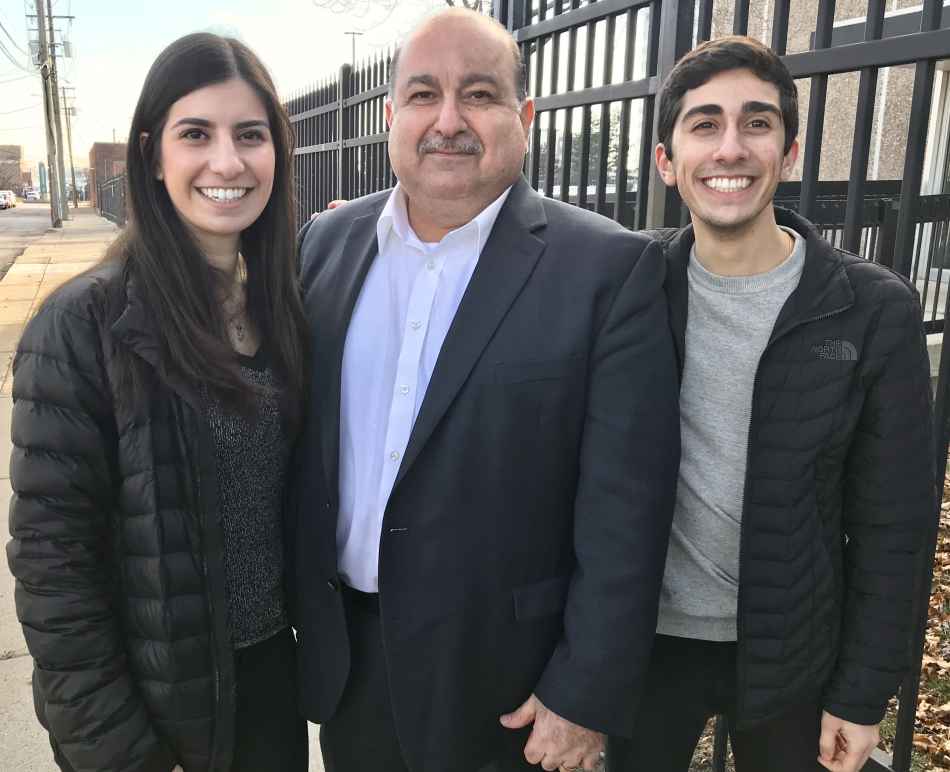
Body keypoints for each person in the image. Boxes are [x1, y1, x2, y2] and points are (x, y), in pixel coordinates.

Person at [291, 8, 680, 772]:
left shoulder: (607, 270)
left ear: (523, 118)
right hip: (350, 671)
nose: (447, 120)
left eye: (478, 94)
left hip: (510, 686)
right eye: (423, 94)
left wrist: (586, 690)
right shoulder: (325, 244)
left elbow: (628, 509)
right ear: (390, 115)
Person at [609, 35, 937, 772]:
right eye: (703, 125)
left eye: (757, 123)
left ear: (789, 153)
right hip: (643, 643)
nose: (731, 148)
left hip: (795, 649)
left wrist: (863, 693)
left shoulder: (871, 309)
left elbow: (894, 527)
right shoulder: (626, 285)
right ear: (667, 161)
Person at [6, 33, 309, 772]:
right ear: (153, 155)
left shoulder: (286, 310)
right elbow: (55, 577)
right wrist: (125, 755)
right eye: (195, 134)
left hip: (271, 695)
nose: (228, 162)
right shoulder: (86, 325)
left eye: (250, 135)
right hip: (158, 719)